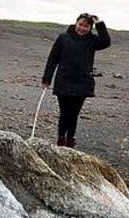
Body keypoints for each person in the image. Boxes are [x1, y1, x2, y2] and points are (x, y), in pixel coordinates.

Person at [41, 13, 111, 148]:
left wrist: (100, 24)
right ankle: (61, 139)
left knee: (74, 114)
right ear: (75, 23)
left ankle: (70, 140)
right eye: (81, 24)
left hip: (82, 83)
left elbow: (106, 42)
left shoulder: (92, 41)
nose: (82, 28)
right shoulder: (63, 38)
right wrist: (46, 79)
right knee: (65, 113)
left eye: (87, 26)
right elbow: (52, 59)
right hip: (64, 81)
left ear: (90, 28)